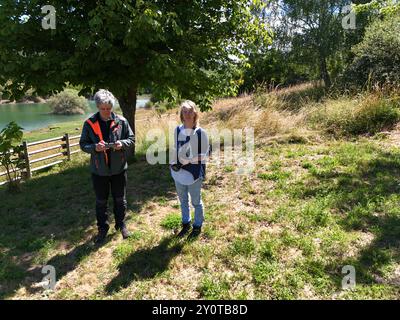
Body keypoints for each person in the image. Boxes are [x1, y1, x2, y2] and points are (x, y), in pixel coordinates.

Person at [80, 89, 134, 244]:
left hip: (119, 169)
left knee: (119, 199)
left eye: (109, 109)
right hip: (99, 171)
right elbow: (83, 144)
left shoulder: (121, 121)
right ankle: (102, 229)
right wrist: (95, 147)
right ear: (97, 107)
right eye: (103, 109)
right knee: (101, 201)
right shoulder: (89, 123)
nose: (106, 112)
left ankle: (121, 224)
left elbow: (131, 139)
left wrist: (121, 144)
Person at [170, 100, 209, 240]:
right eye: (184, 111)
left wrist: (189, 160)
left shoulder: (200, 133)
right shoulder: (177, 130)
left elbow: (204, 155)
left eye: (190, 111)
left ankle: (197, 226)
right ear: (181, 114)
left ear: (195, 113)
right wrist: (174, 161)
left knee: (196, 201)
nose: (187, 114)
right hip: (179, 173)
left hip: (193, 173)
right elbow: (176, 148)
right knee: (182, 200)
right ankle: (185, 223)